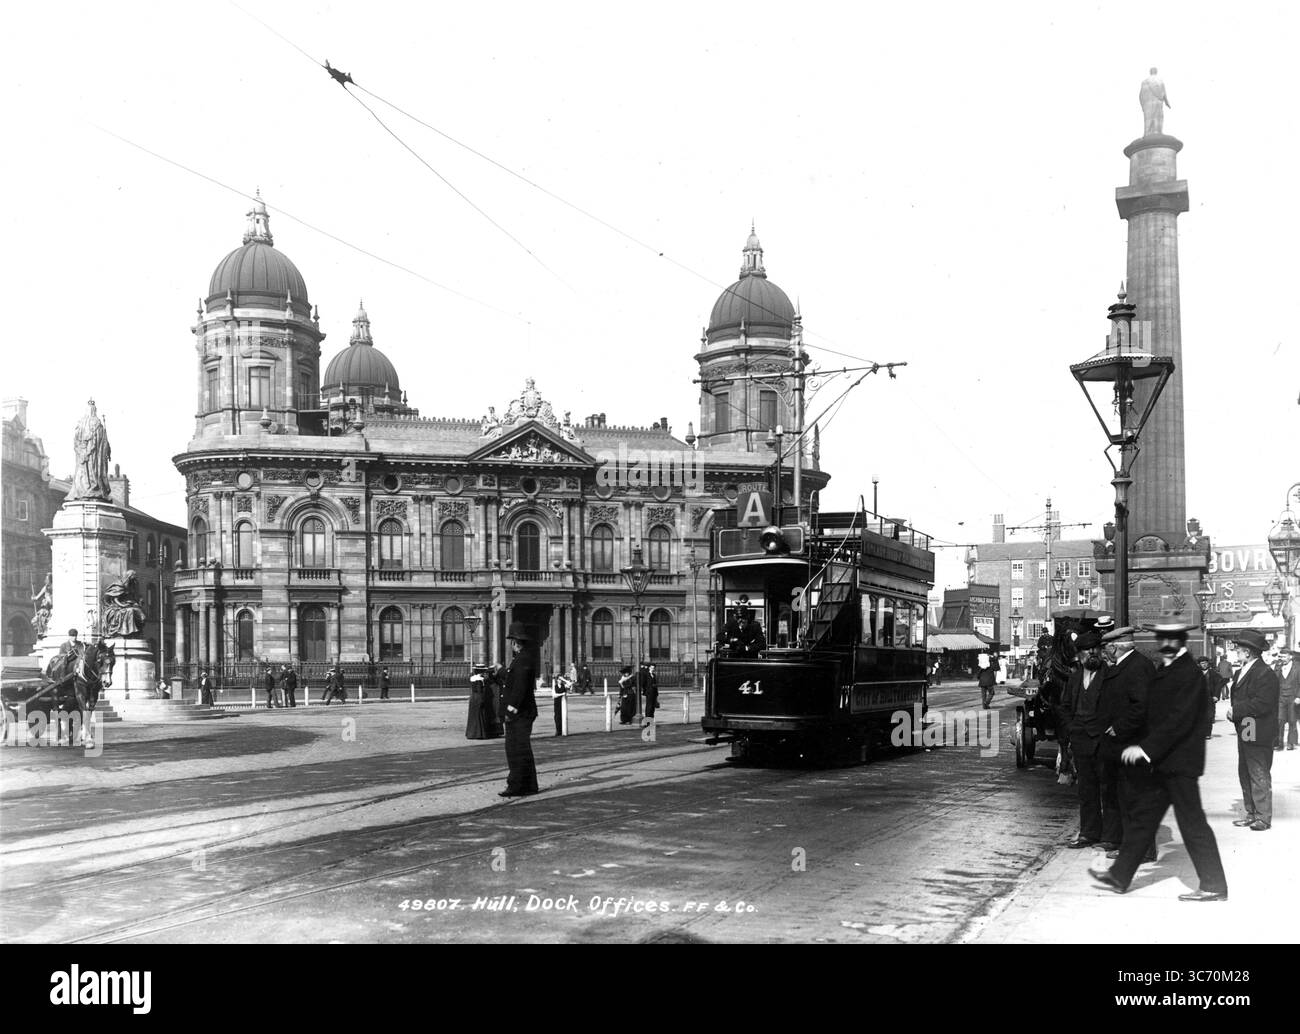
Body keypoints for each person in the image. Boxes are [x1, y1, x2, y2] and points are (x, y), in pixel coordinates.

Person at [1088, 623, 1228, 902]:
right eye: (1160, 639)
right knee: (1145, 819)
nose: (1162, 644)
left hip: (1180, 763)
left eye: (1167, 639)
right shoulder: (1171, 668)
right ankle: (1120, 875)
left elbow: (1178, 720)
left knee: (1192, 824)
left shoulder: (1188, 673)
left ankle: (1214, 885)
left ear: (1178, 641)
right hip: (1166, 761)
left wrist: (1145, 749)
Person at [1098, 625, 1157, 863]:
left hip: (1132, 743)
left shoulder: (1137, 667)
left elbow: (1141, 706)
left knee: (1135, 797)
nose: (1105, 653)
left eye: (1107, 648)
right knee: (1126, 795)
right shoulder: (1128, 666)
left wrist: (1119, 726)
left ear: (1115, 647)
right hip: (1122, 744)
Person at [1059, 631, 1121, 849]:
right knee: (1086, 790)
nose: (1093, 653)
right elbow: (1065, 706)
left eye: (1096, 649)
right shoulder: (1074, 677)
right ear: (1080, 654)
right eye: (1088, 650)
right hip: (1081, 741)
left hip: (1103, 741)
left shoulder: (1111, 675)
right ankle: (1088, 834)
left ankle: (1111, 837)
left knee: (1109, 790)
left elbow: (1117, 707)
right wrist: (1071, 728)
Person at [1227, 630, 1279, 831]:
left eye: (1238, 648)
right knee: (1245, 770)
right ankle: (1251, 813)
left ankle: (1263, 817)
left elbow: (1263, 704)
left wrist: (1236, 711)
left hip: (1258, 728)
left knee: (1258, 771)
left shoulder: (1265, 674)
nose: (1236, 651)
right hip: (1247, 727)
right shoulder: (1243, 671)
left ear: (1248, 652)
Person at [499, 622, 539, 797]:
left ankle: (516, 785)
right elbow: (513, 680)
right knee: (523, 750)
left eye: (512, 641)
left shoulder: (522, 659)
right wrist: (501, 672)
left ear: (515, 642)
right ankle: (529, 785)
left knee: (515, 750)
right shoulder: (524, 658)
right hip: (524, 713)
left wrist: (510, 710)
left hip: (520, 714)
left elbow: (520, 688)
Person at [1277, 647, 1299, 750]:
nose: (1282, 658)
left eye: (1284, 657)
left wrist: (1299, 696)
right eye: (1281, 656)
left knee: (1292, 720)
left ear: (1290, 657)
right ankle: (1280, 743)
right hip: (1281, 697)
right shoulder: (1278, 666)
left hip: (1293, 698)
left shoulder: (1298, 667)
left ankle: (1291, 743)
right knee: (1280, 720)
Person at [467, 666, 494, 739]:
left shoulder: (472, 678)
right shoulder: (480, 679)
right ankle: (479, 733)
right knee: (480, 715)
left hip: (473, 697)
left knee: (473, 715)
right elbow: (479, 690)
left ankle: (471, 733)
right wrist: (482, 699)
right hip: (478, 697)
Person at [1197, 656, 1221, 738]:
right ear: (1199, 664)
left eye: (1205, 663)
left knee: (1209, 715)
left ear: (1208, 664)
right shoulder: (1196, 673)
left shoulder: (1213, 674)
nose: (1204, 665)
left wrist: (1216, 695)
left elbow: (1218, 685)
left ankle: (1207, 733)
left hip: (1210, 697)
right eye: (1202, 663)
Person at [552, 668, 570, 736]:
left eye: (560, 679)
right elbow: (554, 695)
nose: (560, 681)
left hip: (563, 703)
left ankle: (563, 730)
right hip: (557, 703)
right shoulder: (555, 686)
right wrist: (561, 694)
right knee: (557, 717)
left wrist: (563, 679)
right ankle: (558, 730)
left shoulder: (564, 685)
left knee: (563, 716)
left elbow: (569, 684)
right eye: (559, 679)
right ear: (557, 680)